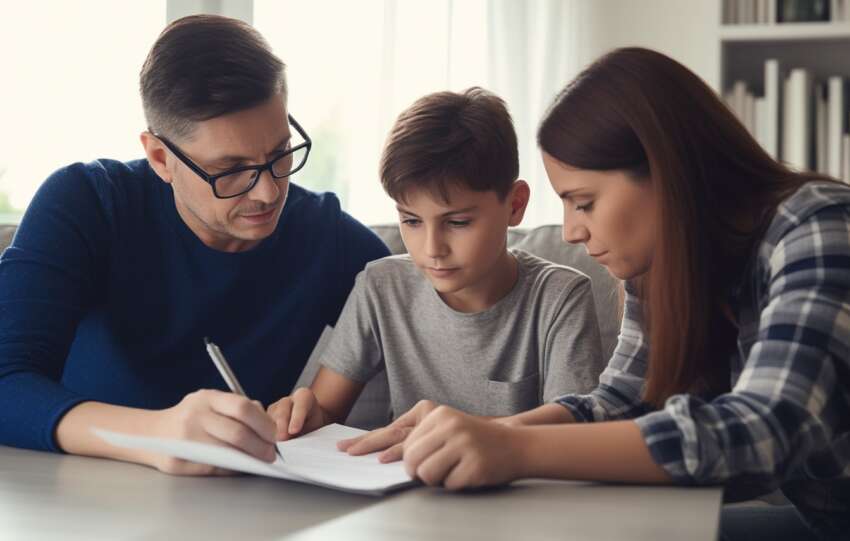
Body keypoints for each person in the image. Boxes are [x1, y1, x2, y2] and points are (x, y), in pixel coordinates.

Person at [342, 48, 850, 540]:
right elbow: (622, 400)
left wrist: (516, 448)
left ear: (665, 172)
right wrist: (482, 435)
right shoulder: (665, 261)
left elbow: (765, 432)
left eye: (582, 203)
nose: (571, 233)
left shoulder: (819, 227)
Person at [0, 15, 388, 474]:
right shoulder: (88, 202)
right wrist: (153, 435)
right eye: (231, 170)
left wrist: (317, 409)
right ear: (160, 158)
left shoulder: (324, 235)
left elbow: (436, 312)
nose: (267, 192)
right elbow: (8, 379)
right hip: (76, 500)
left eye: (279, 154)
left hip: (246, 507)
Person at [266, 88, 604, 460]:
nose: (432, 249)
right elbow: (326, 411)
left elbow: (575, 434)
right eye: (410, 220)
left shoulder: (560, 297)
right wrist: (301, 416)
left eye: (457, 222)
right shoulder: (381, 287)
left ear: (515, 205)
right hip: (399, 492)